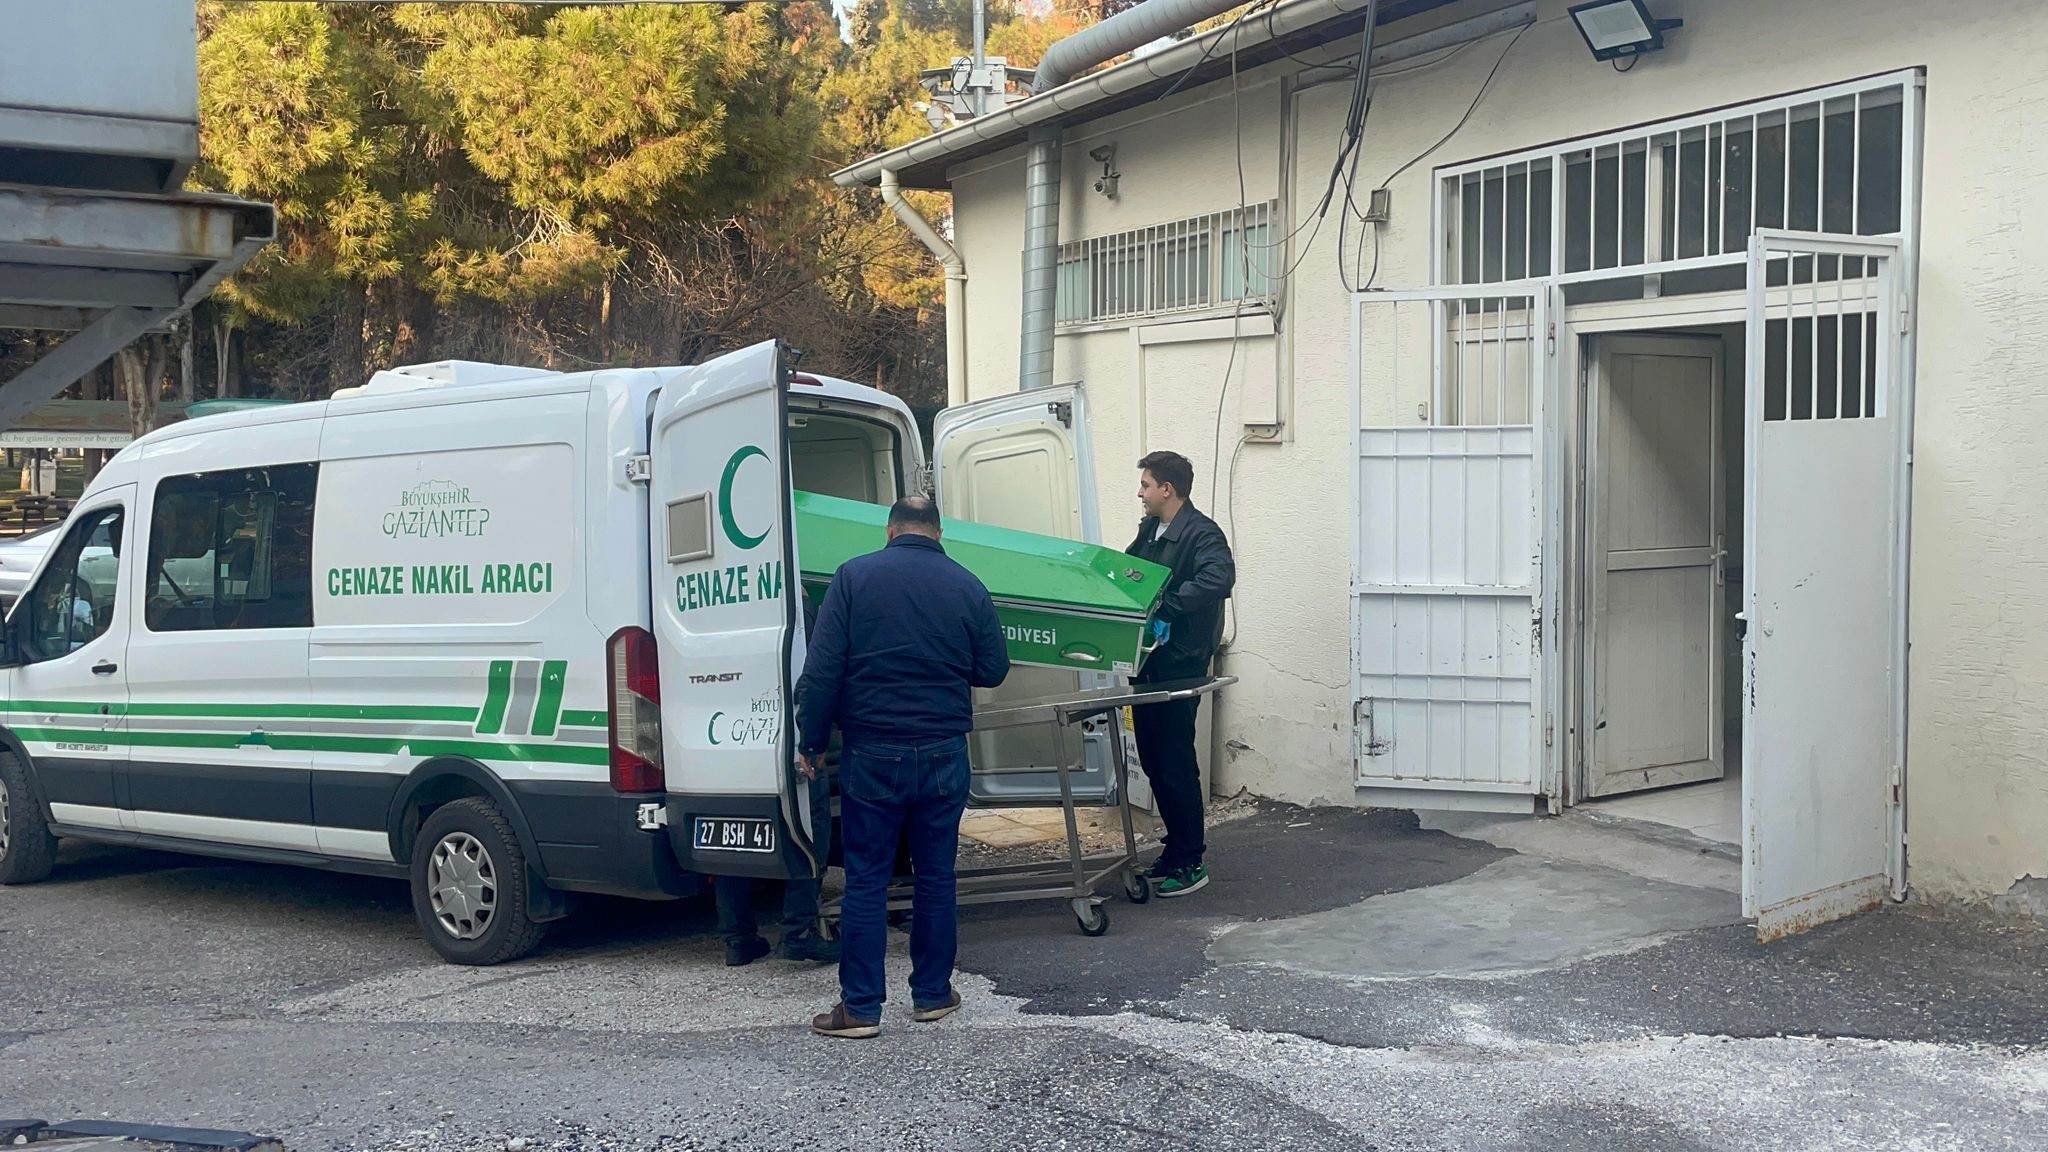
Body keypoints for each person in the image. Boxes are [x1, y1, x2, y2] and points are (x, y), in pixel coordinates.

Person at [799, 495, 1009, 1039]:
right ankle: (933, 995)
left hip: (874, 751)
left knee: (867, 879)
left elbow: (822, 671)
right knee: (936, 876)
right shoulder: (967, 584)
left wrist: (812, 741)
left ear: (890, 530)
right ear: (938, 533)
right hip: (943, 750)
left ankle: (861, 1009)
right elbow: (992, 669)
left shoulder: (852, 578)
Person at [1125, 450, 1236, 899]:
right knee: (1154, 760)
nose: (1140, 493)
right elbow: (1133, 571)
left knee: (1174, 761)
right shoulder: (1151, 530)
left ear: (1167, 489)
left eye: (1146, 485)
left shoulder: (1201, 533)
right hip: (1148, 662)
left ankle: (1191, 860)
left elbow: (1218, 579)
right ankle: (1174, 851)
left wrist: (1167, 607)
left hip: (1180, 663)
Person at [714, 594, 839, 967]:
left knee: (731, 832)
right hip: (785, 733)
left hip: (724, 732)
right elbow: (816, 674)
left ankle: (737, 939)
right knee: (808, 827)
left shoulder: (716, 604)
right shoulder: (794, 601)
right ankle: (798, 932)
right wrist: (813, 741)